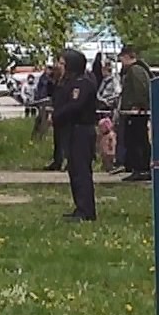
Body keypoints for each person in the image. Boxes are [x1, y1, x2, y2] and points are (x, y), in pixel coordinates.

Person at [54, 47, 99, 221]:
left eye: (63, 63)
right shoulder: (67, 82)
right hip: (72, 131)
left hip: (82, 130)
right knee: (74, 170)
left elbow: (75, 106)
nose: (60, 66)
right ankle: (79, 206)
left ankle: (86, 210)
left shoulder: (83, 83)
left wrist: (57, 116)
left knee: (81, 171)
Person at [118, 47, 152, 181]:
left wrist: (136, 105)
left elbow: (140, 89)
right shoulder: (137, 69)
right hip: (134, 112)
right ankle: (138, 167)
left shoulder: (135, 70)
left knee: (137, 140)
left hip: (136, 113)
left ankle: (141, 168)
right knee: (135, 139)